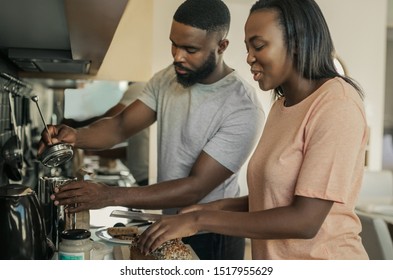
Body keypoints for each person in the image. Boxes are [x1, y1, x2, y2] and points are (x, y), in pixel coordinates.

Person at [138, 0, 369, 260]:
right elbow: (272, 199)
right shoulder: (282, 105)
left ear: (296, 41)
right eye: (247, 47)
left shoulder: (337, 104)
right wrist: (215, 207)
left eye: (258, 46)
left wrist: (201, 220)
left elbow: (305, 221)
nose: (249, 58)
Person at [38, 0, 264, 260]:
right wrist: (76, 136)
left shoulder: (242, 106)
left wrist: (109, 195)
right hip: (169, 225)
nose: (177, 56)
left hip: (212, 236)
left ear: (221, 46)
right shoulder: (168, 77)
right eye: (174, 43)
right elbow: (121, 125)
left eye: (190, 49)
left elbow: (195, 187)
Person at [62, 82, 149, 186]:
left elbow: (114, 121)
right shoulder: (146, 88)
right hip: (143, 178)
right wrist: (93, 150)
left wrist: (75, 126)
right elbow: (131, 150)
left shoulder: (139, 87)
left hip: (148, 178)